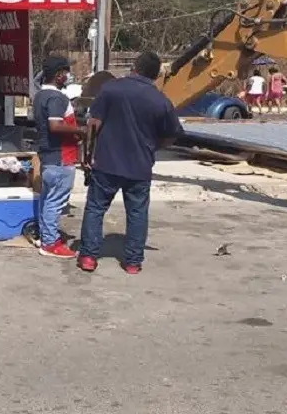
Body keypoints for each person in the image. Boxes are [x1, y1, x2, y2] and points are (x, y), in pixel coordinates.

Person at [77, 51, 183, 275]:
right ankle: (133, 263)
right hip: (140, 166)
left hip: (107, 162)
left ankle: (88, 257)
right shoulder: (160, 100)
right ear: (155, 76)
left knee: (96, 208)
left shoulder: (111, 89)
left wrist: (87, 155)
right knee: (137, 213)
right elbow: (173, 133)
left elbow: (93, 124)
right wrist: (153, 146)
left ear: (134, 67)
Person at [32, 57, 85, 259]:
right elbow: (55, 126)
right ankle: (50, 243)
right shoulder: (57, 98)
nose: (68, 75)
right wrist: (80, 130)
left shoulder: (40, 96)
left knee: (47, 200)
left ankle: (46, 236)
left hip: (49, 157)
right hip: (61, 156)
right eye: (66, 71)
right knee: (55, 202)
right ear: (58, 75)